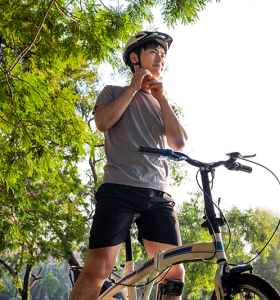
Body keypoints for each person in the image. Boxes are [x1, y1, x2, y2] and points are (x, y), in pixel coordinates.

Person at [69, 31, 188, 300]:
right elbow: (102, 123)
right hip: (118, 189)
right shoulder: (113, 92)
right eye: (154, 52)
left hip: (157, 193)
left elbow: (178, 142)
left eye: (164, 55)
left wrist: (162, 99)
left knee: (174, 272)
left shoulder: (163, 104)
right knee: (98, 268)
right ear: (135, 57)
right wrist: (134, 87)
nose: (161, 58)